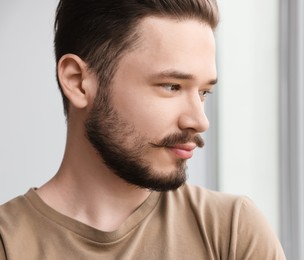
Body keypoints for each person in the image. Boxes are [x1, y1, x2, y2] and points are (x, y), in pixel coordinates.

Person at [0, 0, 286, 259]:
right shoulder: (8, 243)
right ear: (77, 82)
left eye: (203, 92)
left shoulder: (232, 234)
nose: (199, 121)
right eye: (172, 86)